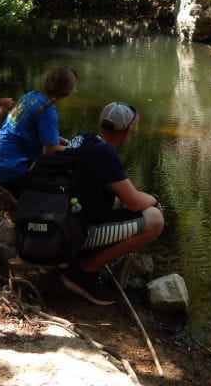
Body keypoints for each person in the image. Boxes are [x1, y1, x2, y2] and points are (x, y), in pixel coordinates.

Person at [60, 102, 164, 306]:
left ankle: (76, 258)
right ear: (126, 132)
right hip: (72, 233)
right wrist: (155, 199)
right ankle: (83, 273)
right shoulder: (104, 153)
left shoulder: (84, 139)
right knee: (154, 219)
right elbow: (134, 203)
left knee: (116, 200)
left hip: (60, 222)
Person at [0, 65, 77, 197]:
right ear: (67, 91)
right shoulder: (47, 111)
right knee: (68, 162)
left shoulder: (30, 96)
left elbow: (38, 133)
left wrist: (65, 142)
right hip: (12, 174)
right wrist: (75, 150)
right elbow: (49, 152)